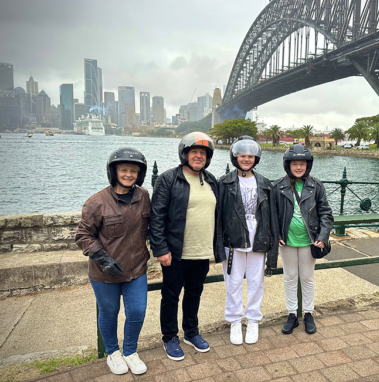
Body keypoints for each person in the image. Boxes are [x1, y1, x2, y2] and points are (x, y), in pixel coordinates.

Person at [149, 131, 224, 361]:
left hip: (202, 251)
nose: (198, 156)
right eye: (194, 152)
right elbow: (157, 215)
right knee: (170, 296)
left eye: (203, 153)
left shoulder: (211, 180)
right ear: (185, 154)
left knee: (194, 293)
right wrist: (160, 249)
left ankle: (191, 332)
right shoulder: (169, 178)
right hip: (176, 252)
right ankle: (170, 337)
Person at [75, 147, 150, 376]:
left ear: (140, 174)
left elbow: (153, 226)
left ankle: (129, 351)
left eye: (134, 171)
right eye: (124, 170)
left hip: (136, 267)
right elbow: (83, 235)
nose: (129, 174)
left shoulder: (143, 196)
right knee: (109, 312)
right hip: (104, 271)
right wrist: (102, 257)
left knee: (137, 312)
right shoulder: (96, 202)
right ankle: (112, 352)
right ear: (114, 171)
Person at [218, 136, 278, 345]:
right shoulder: (224, 182)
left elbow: (271, 215)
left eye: (250, 156)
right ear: (235, 157)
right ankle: (234, 320)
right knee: (233, 283)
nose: (246, 159)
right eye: (242, 155)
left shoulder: (265, 183)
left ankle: (253, 319)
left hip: (259, 238)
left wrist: (273, 239)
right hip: (233, 239)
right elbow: (219, 215)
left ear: (256, 158)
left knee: (256, 282)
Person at [273, 144, 333, 335]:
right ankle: (292, 314)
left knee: (307, 278)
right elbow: (271, 215)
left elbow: (326, 213)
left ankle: (308, 313)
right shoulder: (278, 186)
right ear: (287, 165)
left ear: (308, 165)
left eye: (302, 164)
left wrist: (322, 237)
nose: (298, 167)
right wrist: (277, 236)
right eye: (294, 164)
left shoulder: (316, 186)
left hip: (310, 240)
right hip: (287, 241)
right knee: (290, 278)